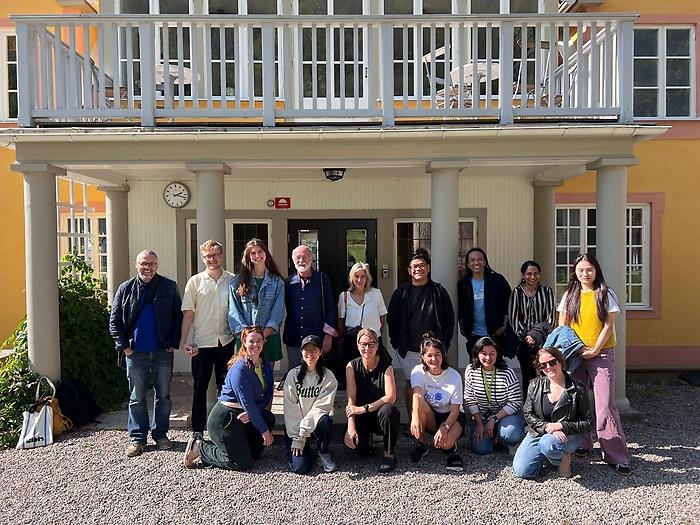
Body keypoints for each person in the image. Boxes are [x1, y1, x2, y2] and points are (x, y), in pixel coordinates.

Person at [558, 253, 632, 476]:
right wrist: (580, 349)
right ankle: (583, 443)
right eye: (581, 270)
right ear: (575, 272)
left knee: (604, 406)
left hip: (601, 354)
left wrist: (595, 350)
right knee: (578, 401)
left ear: (596, 270)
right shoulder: (570, 295)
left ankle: (616, 455)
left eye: (589, 269)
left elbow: (608, 326)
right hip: (575, 354)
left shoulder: (606, 294)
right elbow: (563, 326)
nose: (585, 274)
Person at [109, 249, 182, 458]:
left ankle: (160, 435)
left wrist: (173, 343)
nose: (147, 267)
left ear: (157, 266)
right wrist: (125, 348)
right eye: (143, 263)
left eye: (151, 264)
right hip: (135, 353)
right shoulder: (125, 288)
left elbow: (178, 317)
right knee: (136, 397)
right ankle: (138, 438)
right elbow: (114, 322)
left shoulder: (169, 287)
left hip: (162, 351)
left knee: (164, 396)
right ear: (136, 264)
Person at [183, 325, 275, 471]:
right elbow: (247, 402)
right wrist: (264, 431)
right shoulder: (240, 368)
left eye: (259, 340)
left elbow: (268, 394)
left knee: (268, 418)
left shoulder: (265, 365)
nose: (255, 345)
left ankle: (244, 451)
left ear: (264, 342)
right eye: (251, 341)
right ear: (244, 342)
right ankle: (200, 447)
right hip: (225, 418)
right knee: (242, 463)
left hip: (243, 414)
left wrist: (252, 414)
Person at [387, 248, 455, 413]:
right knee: (412, 384)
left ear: (428, 268)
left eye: (422, 265)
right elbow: (392, 320)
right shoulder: (401, 293)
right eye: (415, 266)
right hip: (408, 348)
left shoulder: (439, 291)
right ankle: (413, 422)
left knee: (434, 384)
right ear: (409, 271)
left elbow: (449, 320)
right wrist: (396, 342)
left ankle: (432, 421)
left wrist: (443, 344)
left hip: (433, 350)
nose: (419, 269)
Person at [179, 240, 235, 437]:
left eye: (215, 254)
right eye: (207, 256)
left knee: (226, 388)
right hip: (202, 344)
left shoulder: (232, 280)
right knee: (200, 388)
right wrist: (183, 340)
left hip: (226, 342)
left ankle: (223, 429)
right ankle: (197, 431)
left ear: (222, 255)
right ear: (202, 258)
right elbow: (188, 313)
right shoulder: (195, 282)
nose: (212, 259)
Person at [512, 347, 593, 479]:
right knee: (522, 471)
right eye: (543, 365)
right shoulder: (534, 385)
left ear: (560, 361)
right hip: (540, 431)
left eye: (552, 362)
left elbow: (588, 422)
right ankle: (548, 457)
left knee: (548, 444)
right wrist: (547, 427)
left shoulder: (578, 389)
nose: (548, 367)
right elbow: (527, 414)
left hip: (567, 435)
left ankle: (562, 458)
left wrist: (562, 425)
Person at [344, 328, 400, 473]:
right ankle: (366, 442)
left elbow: (391, 397)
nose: (367, 348)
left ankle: (389, 454)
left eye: (371, 344)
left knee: (389, 410)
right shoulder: (351, 366)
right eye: (363, 344)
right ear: (357, 345)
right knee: (358, 450)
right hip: (361, 416)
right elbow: (351, 399)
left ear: (377, 345)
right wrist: (351, 426)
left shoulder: (386, 366)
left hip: (379, 415)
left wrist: (364, 408)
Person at [408, 334, 465, 471]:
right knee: (419, 404)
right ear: (423, 357)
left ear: (443, 355)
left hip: (452, 416)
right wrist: (414, 418)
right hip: (431, 414)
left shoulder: (454, 376)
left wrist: (445, 427)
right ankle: (422, 444)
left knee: (445, 445)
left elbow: (456, 409)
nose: (433, 359)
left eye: (437, 354)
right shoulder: (417, 371)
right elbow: (416, 395)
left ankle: (451, 445)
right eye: (429, 355)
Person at [282, 335, 338, 474]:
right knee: (301, 468)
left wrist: (303, 433)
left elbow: (320, 408)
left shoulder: (328, 376)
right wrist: (298, 437)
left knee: (325, 421)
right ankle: (303, 451)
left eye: (314, 349)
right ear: (301, 353)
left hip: (313, 425)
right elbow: (291, 410)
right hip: (296, 428)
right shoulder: (292, 375)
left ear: (320, 352)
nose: (310, 353)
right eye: (306, 350)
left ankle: (322, 453)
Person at [463, 336, 525, 455]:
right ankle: (494, 438)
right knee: (481, 449)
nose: (488, 357)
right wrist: (480, 423)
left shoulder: (507, 371)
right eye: (483, 353)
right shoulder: (470, 370)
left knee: (510, 433)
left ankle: (510, 441)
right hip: (482, 416)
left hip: (505, 415)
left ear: (497, 354)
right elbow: (470, 399)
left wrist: (494, 419)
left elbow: (515, 402)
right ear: (477, 353)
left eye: (492, 353)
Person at [229, 238, 286, 365]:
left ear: (266, 253)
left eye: (260, 251)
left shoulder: (277, 283)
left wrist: (262, 337)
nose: (257, 255)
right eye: (253, 253)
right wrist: (250, 338)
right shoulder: (237, 283)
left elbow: (277, 314)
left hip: (269, 338)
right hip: (246, 340)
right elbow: (234, 313)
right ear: (248, 257)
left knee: (266, 380)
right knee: (247, 378)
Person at [283, 244, 337, 373]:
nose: (301, 261)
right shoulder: (288, 282)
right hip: (294, 338)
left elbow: (330, 307)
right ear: (293, 260)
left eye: (304, 257)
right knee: (295, 373)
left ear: (311, 259)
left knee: (317, 374)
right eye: (298, 258)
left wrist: (328, 336)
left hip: (317, 337)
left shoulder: (323, 280)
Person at [336, 262, 388, 387]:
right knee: (355, 375)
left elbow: (382, 318)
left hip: (373, 341)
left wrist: (373, 335)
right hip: (352, 342)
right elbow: (341, 322)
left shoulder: (376, 294)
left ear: (367, 278)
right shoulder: (344, 297)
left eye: (362, 276)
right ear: (351, 278)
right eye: (356, 276)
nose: (359, 280)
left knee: (375, 374)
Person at [508, 260, 556, 388]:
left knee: (545, 374)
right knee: (528, 375)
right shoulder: (516, 293)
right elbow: (514, 319)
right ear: (523, 275)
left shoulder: (547, 292)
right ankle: (528, 406)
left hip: (543, 340)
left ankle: (544, 405)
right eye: (529, 274)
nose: (532, 277)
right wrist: (527, 336)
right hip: (524, 342)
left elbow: (550, 317)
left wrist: (537, 336)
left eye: (536, 273)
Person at [457, 247, 511, 358]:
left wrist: (504, 326)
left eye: (479, 259)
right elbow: (461, 308)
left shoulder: (498, 280)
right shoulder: (463, 283)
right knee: (476, 369)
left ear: (485, 262)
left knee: (495, 367)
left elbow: (509, 304)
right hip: (474, 335)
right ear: (467, 264)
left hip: (495, 333)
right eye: (472, 260)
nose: (476, 262)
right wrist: (464, 329)